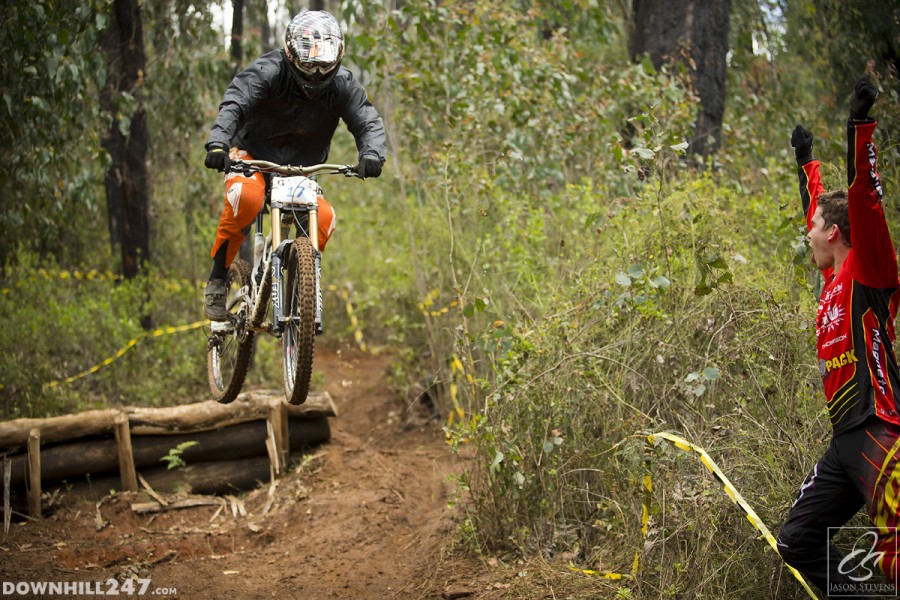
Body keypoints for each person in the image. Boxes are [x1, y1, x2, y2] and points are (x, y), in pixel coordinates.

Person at [777, 75, 900, 597]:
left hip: (880, 431)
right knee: (797, 539)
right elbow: (817, 204)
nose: (808, 232)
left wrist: (859, 127)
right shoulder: (831, 281)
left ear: (835, 234)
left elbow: (863, 200)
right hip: (842, 446)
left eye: (816, 227)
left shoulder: (868, 269)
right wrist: (805, 159)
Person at [202, 10, 386, 321]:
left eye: (323, 65)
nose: (315, 73)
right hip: (252, 156)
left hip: (301, 169)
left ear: (337, 58)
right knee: (246, 199)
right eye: (308, 63)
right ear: (290, 53)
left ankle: (299, 285)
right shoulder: (268, 71)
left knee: (324, 218)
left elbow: (367, 120)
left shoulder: (342, 84)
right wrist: (218, 143)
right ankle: (218, 278)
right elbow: (236, 101)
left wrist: (372, 154)